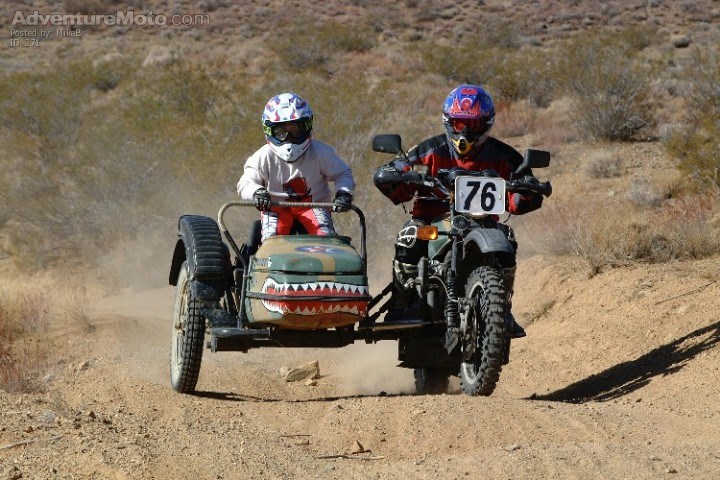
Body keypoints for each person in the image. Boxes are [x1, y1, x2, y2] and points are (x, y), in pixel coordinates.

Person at [373, 84, 544, 338]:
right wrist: (398, 175)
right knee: (409, 237)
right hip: (431, 219)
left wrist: (527, 188)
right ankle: (400, 306)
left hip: (482, 223)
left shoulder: (503, 155)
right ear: (447, 121)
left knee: (507, 240)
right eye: (457, 123)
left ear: (486, 124)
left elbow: (524, 191)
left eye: (472, 125)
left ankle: (502, 308)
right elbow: (399, 167)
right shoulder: (432, 148)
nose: (463, 132)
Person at [237, 92, 355, 241]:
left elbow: (342, 174)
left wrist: (343, 194)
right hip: (275, 208)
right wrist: (257, 192)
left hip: (313, 206)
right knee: (271, 241)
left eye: (295, 131)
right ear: (269, 131)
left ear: (307, 127)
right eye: (281, 132)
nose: (289, 139)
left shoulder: (320, 152)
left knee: (326, 240)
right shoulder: (263, 156)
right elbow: (246, 182)